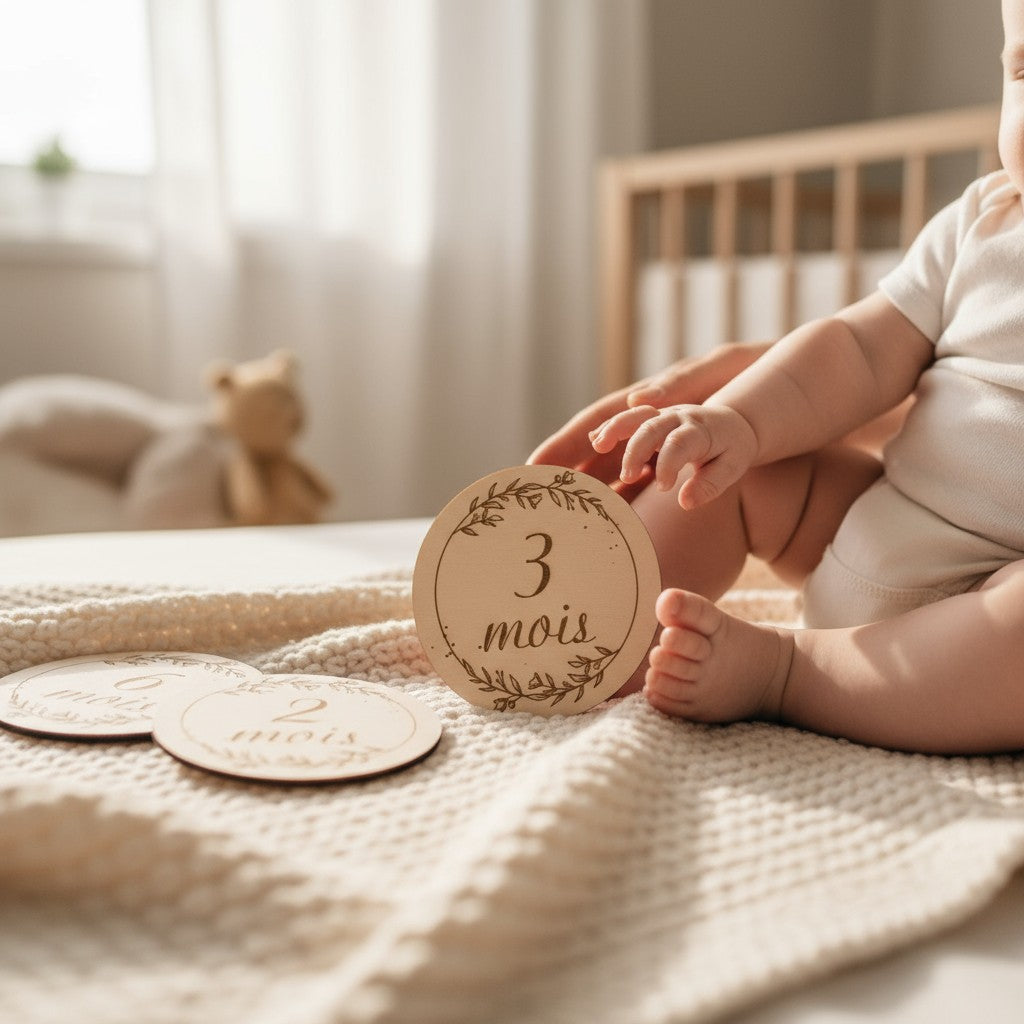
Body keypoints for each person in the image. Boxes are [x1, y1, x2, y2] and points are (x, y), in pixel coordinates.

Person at [529, 0, 1024, 755]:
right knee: (725, 475)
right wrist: (737, 421)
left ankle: (789, 674)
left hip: (983, 617)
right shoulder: (981, 223)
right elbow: (858, 349)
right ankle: (584, 633)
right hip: (867, 528)